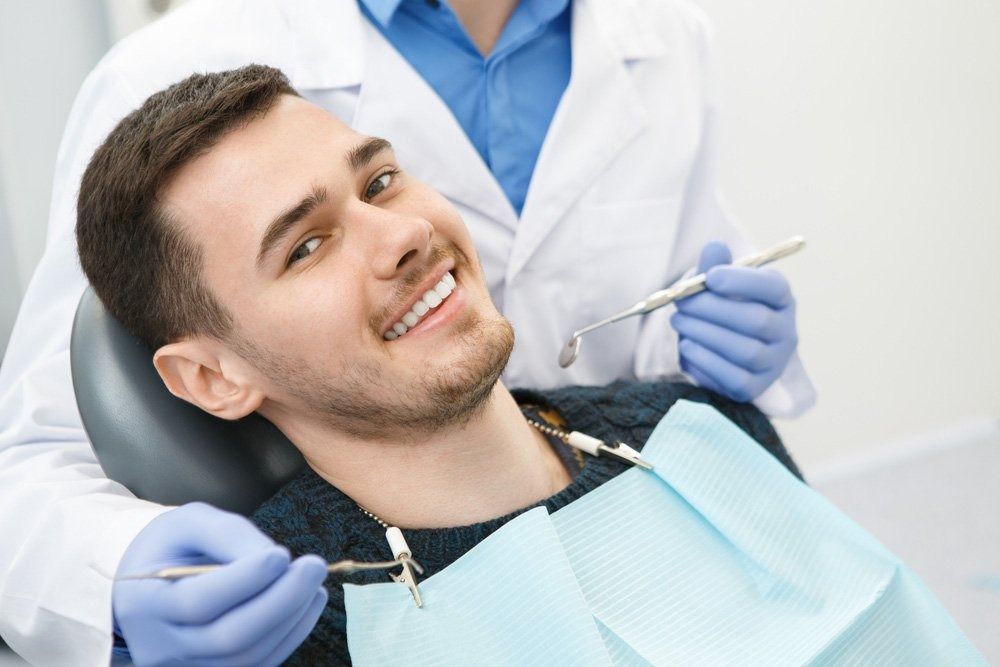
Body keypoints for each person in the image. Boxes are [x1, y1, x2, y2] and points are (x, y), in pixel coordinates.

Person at [0, 0, 814, 662]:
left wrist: (723, 361)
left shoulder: (663, 35)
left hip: (619, 512)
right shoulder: (172, 63)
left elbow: (672, 292)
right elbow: (41, 447)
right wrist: (120, 571)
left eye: (383, 182)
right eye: (306, 245)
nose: (402, 237)